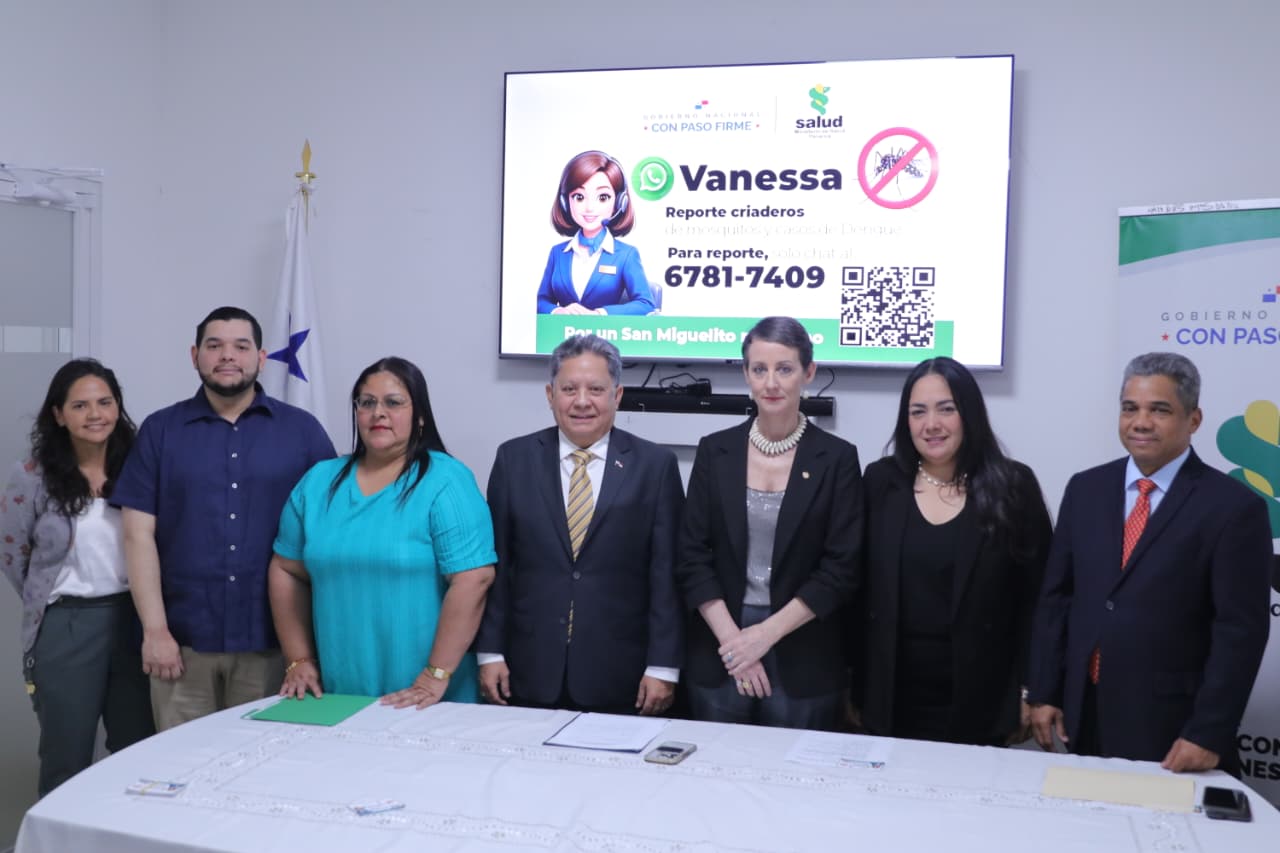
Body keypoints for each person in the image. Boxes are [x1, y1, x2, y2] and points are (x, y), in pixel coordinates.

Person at [1028, 352, 1272, 774]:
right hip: (1084, 714)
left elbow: (1240, 632)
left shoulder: (1233, 508)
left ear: (1194, 419)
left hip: (1172, 728)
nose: (1140, 422)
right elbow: (1057, 598)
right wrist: (1044, 691)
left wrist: (1207, 732)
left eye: (1159, 410)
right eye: (1130, 408)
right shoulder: (1086, 489)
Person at [113, 306, 335, 730]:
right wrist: (155, 632)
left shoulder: (302, 432)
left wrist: (306, 650)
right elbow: (137, 536)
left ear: (262, 358)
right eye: (214, 346)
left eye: (241, 346)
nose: (227, 355)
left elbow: (327, 535)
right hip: (181, 647)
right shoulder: (160, 431)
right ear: (194, 355)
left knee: (266, 762)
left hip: (274, 649)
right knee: (181, 764)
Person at [271, 357, 496, 708]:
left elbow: (474, 579)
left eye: (393, 402)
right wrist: (297, 658)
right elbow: (286, 568)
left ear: (419, 415)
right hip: (337, 693)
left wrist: (435, 674)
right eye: (367, 402)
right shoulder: (318, 482)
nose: (378, 413)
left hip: (429, 697)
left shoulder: (446, 481)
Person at [477, 334, 684, 714]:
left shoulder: (655, 467)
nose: (582, 401)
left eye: (596, 389)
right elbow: (498, 567)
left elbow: (666, 576)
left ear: (617, 395)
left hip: (622, 672)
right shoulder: (514, 460)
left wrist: (663, 666)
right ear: (550, 395)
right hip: (528, 668)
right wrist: (490, 652)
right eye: (569, 389)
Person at [677, 316, 862, 730]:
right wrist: (736, 644)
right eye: (759, 369)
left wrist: (763, 636)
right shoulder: (715, 451)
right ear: (746, 374)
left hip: (804, 652)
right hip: (720, 650)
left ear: (808, 372)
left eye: (785, 369)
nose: (771, 383)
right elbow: (691, 557)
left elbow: (841, 569)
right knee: (717, 765)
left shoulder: (837, 459)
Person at [857, 357, 1052, 745]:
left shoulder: (1013, 485)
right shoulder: (880, 482)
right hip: (892, 698)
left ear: (970, 414)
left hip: (984, 698)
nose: (931, 424)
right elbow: (857, 593)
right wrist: (852, 684)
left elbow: (1040, 600)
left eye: (946, 409)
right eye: (918, 412)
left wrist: (1032, 688)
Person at [0, 359, 154, 796]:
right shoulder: (32, 476)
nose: (95, 415)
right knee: (66, 756)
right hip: (66, 625)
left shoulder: (141, 466)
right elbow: (13, 553)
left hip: (135, 621)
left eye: (105, 402)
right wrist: (49, 598)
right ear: (58, 414)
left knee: (138, 751)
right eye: (80, 405)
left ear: (118, 407)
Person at [536, 150, 657, 315]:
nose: (589, 208)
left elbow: (646, 304)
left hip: (606, 331)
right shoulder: (557, 253)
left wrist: (600, 314)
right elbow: (541, 301)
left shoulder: (626, 254)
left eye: (603, 197)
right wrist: (557, 311)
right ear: (565, 202)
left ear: (619, 203)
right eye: (579, 197)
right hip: (562, 331)